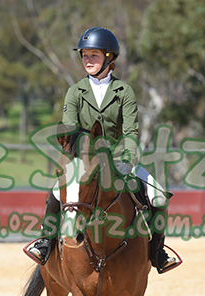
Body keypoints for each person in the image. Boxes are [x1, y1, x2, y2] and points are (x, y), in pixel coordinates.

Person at [26, 27, 177, 274]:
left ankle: (157, 251)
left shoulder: (124, 91)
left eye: (93, 55)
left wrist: (127, 159)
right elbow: (70, 130)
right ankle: (46, 241)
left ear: (109, 57)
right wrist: (75, 157)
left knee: (158, 196)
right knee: (55, 194)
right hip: (84, 159)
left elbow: (130, 132)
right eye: (84, 55)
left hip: (119, 159)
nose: (87, 60)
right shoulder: (75, 91)